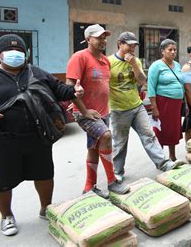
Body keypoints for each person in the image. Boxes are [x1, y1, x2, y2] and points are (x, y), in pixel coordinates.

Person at [0, 34, 85, 236]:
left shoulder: (36, 72)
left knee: (44, 174)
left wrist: (74, 91)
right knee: (1, 180)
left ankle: (46, 208)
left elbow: (59, 90)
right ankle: (6, 216)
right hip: (0, 140)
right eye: (11, 51)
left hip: (37, 136)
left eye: (21, 52)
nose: (17, 55)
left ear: (26, 54)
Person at [108, 32, 183, 183]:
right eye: (129, 45)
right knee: (120, 142)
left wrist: (134, 65)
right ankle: (117, 171)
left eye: (134, 45)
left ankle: (164, 163)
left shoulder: (136, 61)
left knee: (149, 135)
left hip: (137, 105)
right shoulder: (109, 62)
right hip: (118, 109)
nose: (132, 48)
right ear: (120, 44)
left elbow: (142, 81)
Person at [66, 24, 130, 197]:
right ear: (88, 39)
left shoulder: (105, 60)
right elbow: (69, 88)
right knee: (106, 136)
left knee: (94, 148)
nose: (103, 40)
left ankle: (89, 187)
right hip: (84, 112)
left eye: (104, 37)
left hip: (103, 112)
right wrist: (85, 111)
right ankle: (111, 182)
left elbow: (104, 86)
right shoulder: (79, 57)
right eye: (99, 37)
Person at [148, 39, 184, 161]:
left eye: (175, 49)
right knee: (161, 130)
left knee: (173, 129)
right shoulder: (156, 66)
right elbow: (151, 87)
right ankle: (161, 158)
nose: (173, 52)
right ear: (163, 51)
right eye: (170, 50)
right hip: (163, 102)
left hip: (176, 103)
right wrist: (154, 107)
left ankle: (172, 156)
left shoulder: (177, 65)